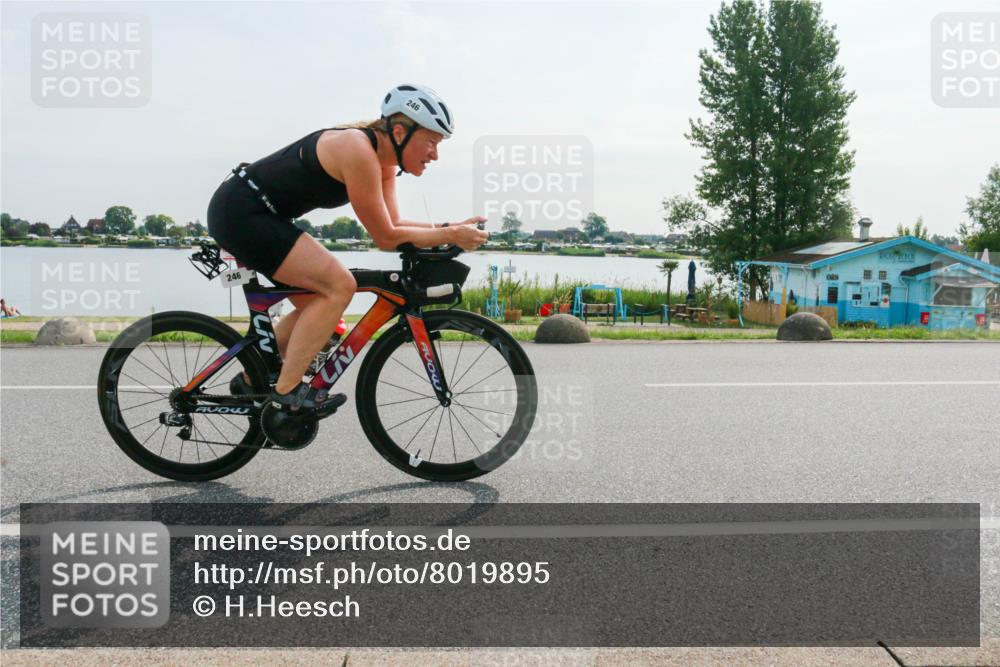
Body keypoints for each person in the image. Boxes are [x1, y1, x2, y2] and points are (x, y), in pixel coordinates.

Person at [207, 84, 488, 438]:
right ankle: (286, 395)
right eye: (431, 141)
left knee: (319, 304)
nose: (434, 155)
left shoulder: (384, 161)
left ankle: (252, 380)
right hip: (242, 213)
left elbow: (396, 225)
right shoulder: (357, 149)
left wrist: (450, 227)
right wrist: (450, 235)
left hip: (262, 215)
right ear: (400, 132)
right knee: (340, 286)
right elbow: (385, 237)